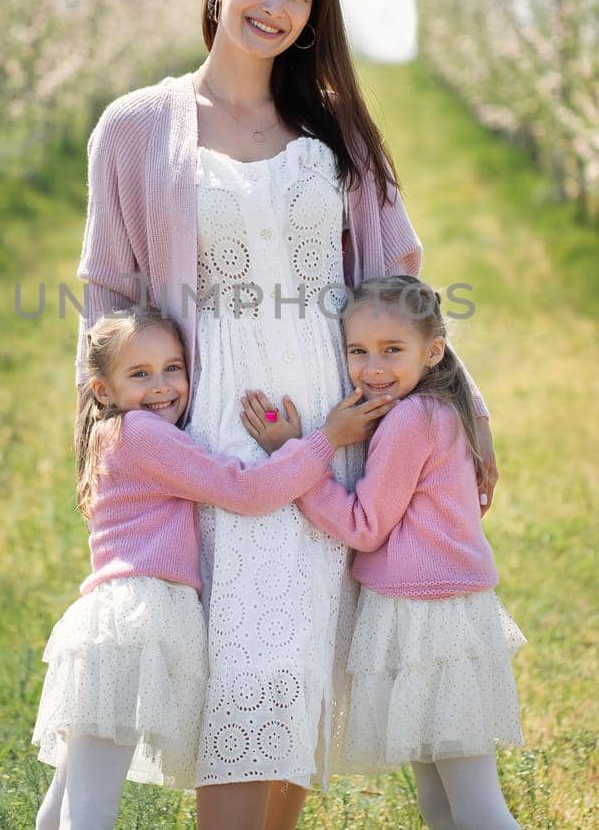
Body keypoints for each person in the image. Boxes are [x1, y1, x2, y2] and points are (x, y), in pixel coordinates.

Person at [73, 0, 499, 829]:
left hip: (336, 421)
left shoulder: (336, 129)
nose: (276, 6)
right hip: (219, 425)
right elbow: (108, 291)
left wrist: (464, 405)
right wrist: (106, 438)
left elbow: (397, 282)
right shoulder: (139, 127)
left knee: (300, 664)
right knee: (245, 665)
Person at [34, 306, 393, 830]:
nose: (162, 387)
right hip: (140, 620)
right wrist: (324, 441)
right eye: (140, 374)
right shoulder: (141, 433)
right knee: (89, 809)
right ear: (102, 389)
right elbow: (244, 490)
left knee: (71, 796)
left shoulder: (114, 435)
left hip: (116, 623)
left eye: (173, 368)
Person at [245, 276, 525, 830]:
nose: (373, 367)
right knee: (442, 804)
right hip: (431, 612)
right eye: (358, 351)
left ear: (434, 351)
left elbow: (364, 525)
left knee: (475, 806)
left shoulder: (410, 420)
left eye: (392, 350)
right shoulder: (438, 408)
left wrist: (296, 457)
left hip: (430, 621)